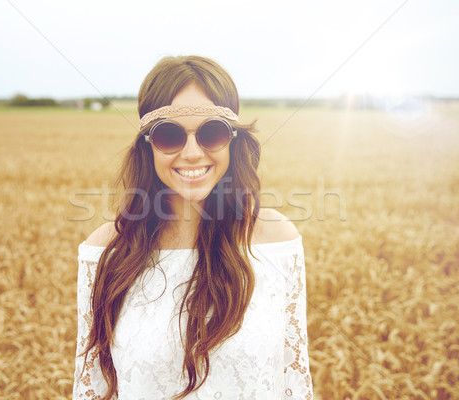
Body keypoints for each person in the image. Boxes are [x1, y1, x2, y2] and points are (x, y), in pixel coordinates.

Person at [73, 55, 313, 399]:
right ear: (147, 144)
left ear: (232, 139)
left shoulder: (277, 241)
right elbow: (92, 388)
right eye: (169, 135)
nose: (191, 153)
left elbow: (294, 381)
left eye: (211, 133)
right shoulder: (104, 251)